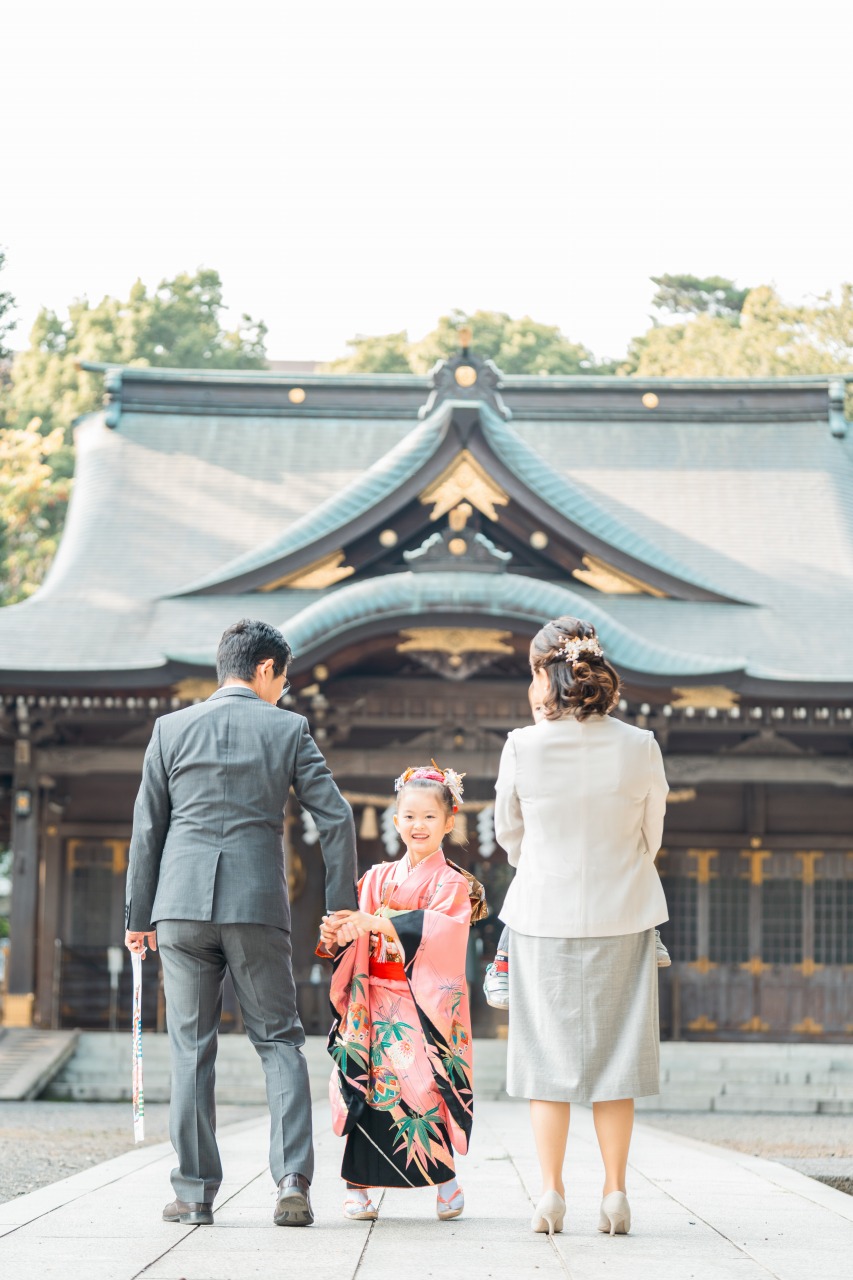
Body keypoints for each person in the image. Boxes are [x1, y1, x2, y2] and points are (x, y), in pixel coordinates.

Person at [124, 619, 358, 1228]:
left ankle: (196, 1194)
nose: (282, 689)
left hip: (177, 908)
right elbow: (336, 820)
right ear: (263, 670)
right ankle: (291, 1183)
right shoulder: (288, 728)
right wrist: (338, 912)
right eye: (282, 677)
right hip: (255, 903)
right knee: (279, 1040)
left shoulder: (169, 729)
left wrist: (138, 916)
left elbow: (148, 827)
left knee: (190, 1048)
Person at [495, 616, 668, 1238]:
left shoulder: (522, 745)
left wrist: (546, 864)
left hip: (544, 915)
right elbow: (652, 838)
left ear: (548, 673)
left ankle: (549, 1194)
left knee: (549, 1060)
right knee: (615, 1057)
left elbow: (508, 837)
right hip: (626, 913)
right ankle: (616, 1195)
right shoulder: (641, 744)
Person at [318, 763, 485, 1222]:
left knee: (428, 1088)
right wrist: (338, 933)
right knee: (369, 1088)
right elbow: (354, 932)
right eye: (409, 816)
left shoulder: (452, 883)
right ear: (395, 821)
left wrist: (377, 922)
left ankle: (446, 1186)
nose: (418, 826)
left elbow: (444, 935)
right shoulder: (374, 878)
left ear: (450, 822)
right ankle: (358, 1187)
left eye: (429, 817)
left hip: (420, 1007)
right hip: (373, 1001)